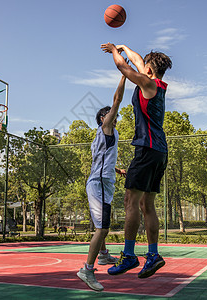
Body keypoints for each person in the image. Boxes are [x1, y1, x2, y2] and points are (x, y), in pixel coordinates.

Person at [101, 43, 172, 279]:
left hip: (146, 149)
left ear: (150, 72)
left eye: (145, 67)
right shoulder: (157, 83)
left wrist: (114, 51)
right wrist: (125, 46)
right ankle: (153, 255)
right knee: (147, 205)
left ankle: (129, 255)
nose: (142, 68)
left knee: (131, 200)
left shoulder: (147, 83)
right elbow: (139, 60)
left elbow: (123, 66)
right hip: (159, 151)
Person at [77, 75, 127, 292]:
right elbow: (117, 100)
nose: (113, 114)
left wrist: (118, 169)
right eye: (108, 113)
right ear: (102, 119)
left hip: (103, 182)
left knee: (102, 224)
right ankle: (86, 269)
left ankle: (104, 256)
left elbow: (101, 159)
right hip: (98, 184)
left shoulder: (108, 134)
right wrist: (124, 74)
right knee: (103, 228)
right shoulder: (106, 128)